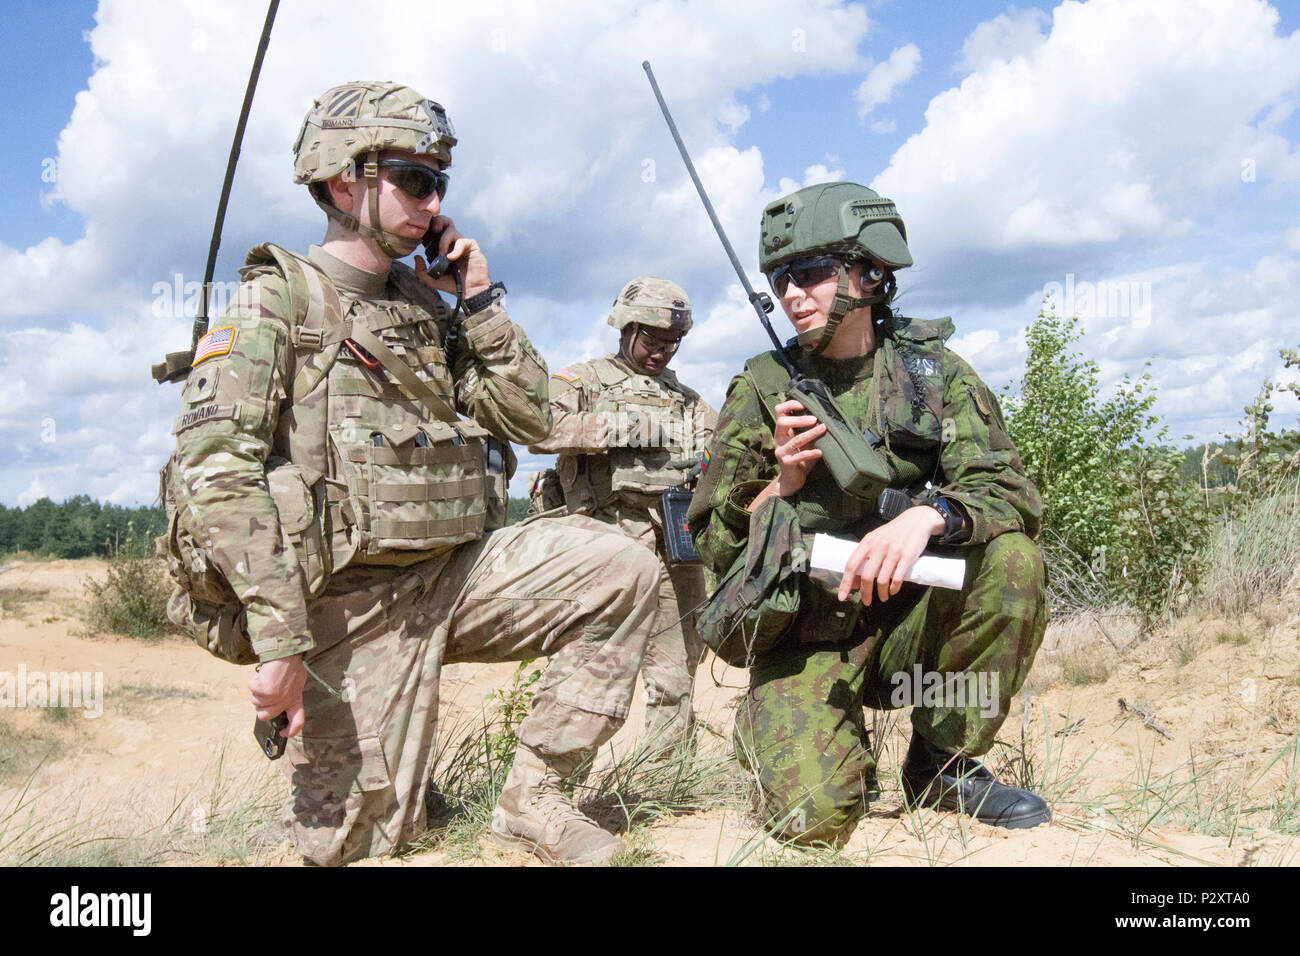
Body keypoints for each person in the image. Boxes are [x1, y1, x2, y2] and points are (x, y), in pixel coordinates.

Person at [161, 81, 665, 866]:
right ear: (343, 181)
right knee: (359, 847)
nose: (433, 202)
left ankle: (532, 802)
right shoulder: (274, 303)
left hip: (456, 573)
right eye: (414, 178)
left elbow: (537, 421)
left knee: (622, 570)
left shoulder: (428, 307)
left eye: (440, 183)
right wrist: (280, 643)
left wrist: (480, 301)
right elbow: (218, 474)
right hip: (354, 608)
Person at [686, 181, 1050, 846]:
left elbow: (1012, 493)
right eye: (779, 280)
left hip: (909, 625)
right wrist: (783, 484)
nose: (792, 294)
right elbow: (713, 542)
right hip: (806, 637)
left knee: (1014, 560)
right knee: (814, 823)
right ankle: (794, 736)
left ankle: (942, 764)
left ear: (870, 273)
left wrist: (931, 515)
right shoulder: (761, 391)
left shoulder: (932, 375)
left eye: (811, 274)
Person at [527, 279, 717, 752]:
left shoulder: (689, 401)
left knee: (676, 671)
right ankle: (553, 781)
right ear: (625, 328)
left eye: (671, 344)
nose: (661, 353)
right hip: (603, 541)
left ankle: (664, 778)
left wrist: (709, 460)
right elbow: (538, 429)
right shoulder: (584, 381)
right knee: (588, 666)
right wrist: (621, 428)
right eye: (651, 341)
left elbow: (725, 448)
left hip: (673, 545)